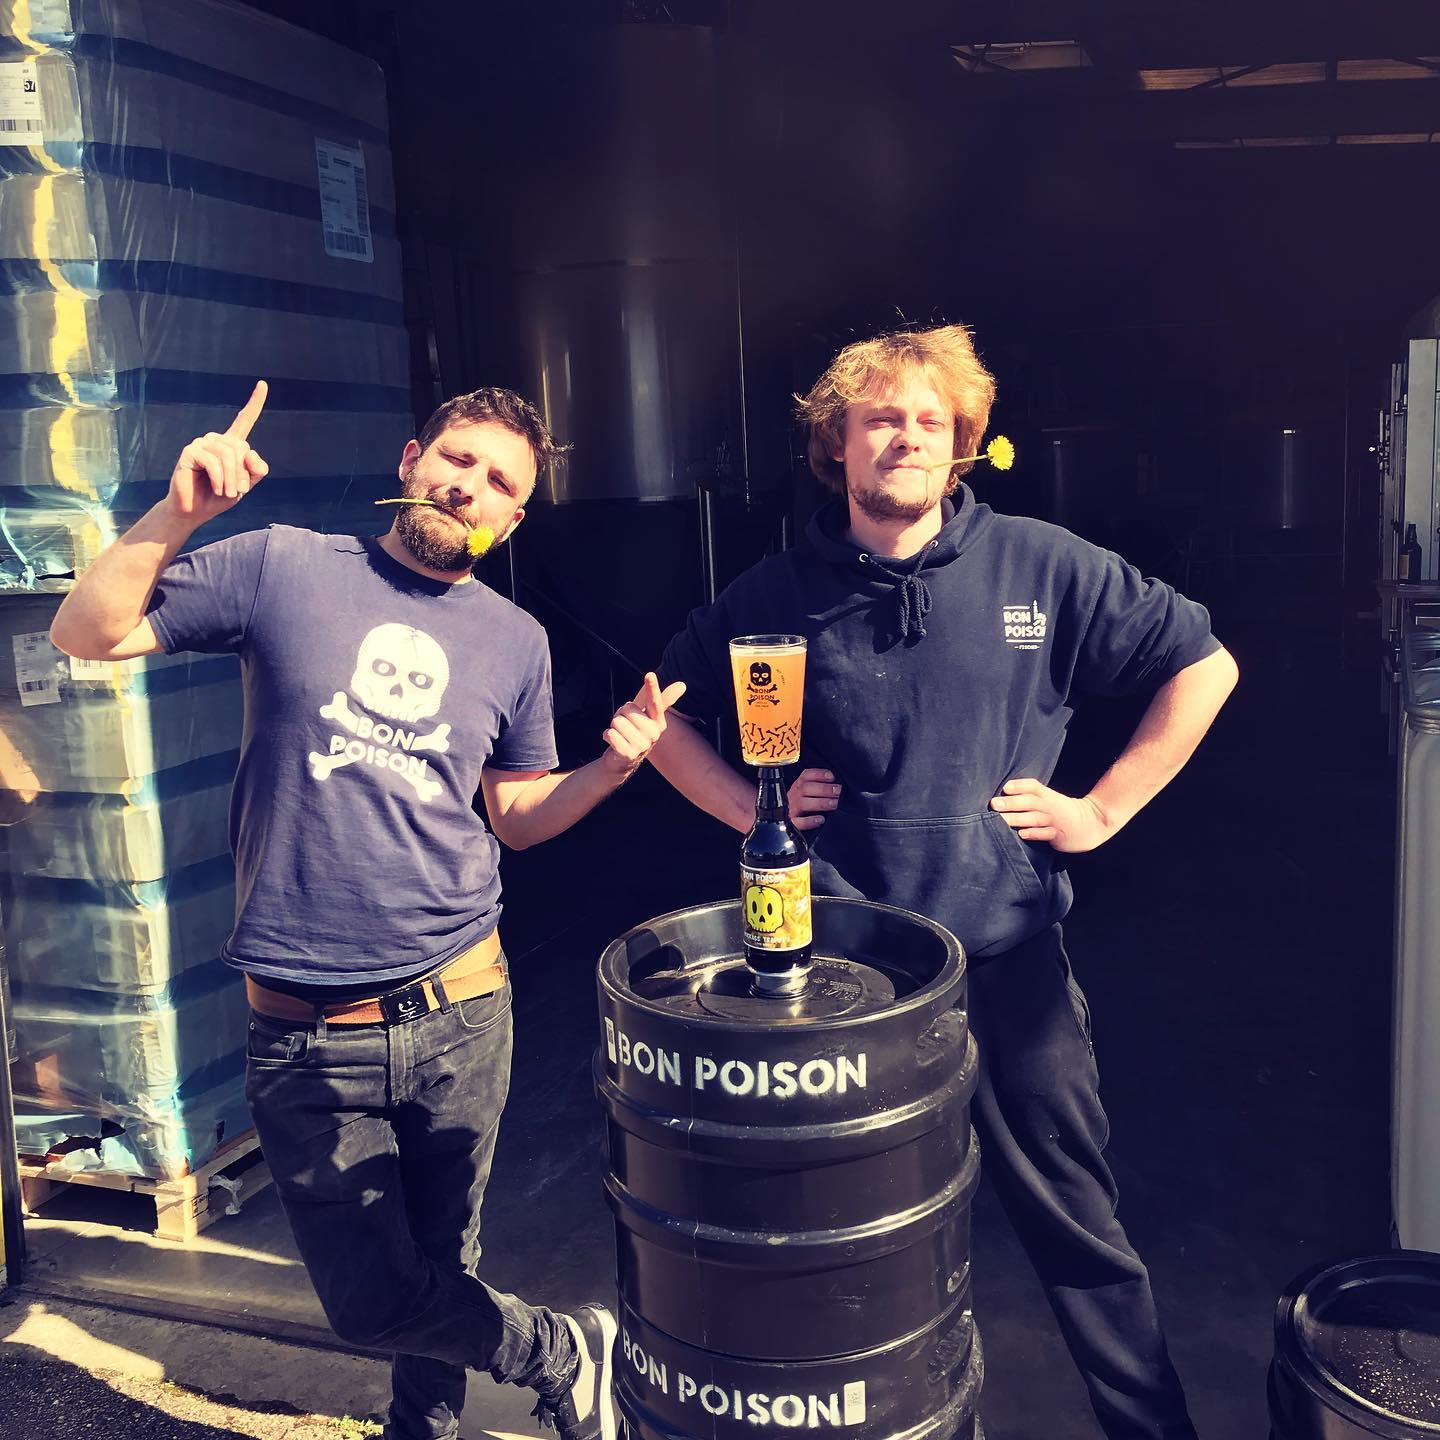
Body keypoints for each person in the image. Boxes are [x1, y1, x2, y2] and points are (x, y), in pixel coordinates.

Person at [50, 381, 680, 1440]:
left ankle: (421, 1431)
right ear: (409, 461)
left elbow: (517, 817)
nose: (469, 486)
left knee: (445, 1261)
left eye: (499, 482)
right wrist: (180, 514)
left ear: (512, 519)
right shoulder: (282, 566)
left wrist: (611, 768)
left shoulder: (516, 640)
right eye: (457, 459)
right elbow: (85, 631)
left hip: (462, 1007)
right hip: (308, 1032)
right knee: (371, 1302)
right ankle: (560, 1351)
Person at [646, 325, 1238, 1440]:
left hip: (1010, 967)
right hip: (844, 988)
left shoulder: (1043, 565)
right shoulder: (777, 593)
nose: (906, 437)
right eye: (880, 419)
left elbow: (1205, 665)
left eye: (930, 420)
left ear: (962, 441)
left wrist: (1102, 810)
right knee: (847, 1250)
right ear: (837, 444)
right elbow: (654, 714)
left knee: (1081, 1230)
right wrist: (753, 807)